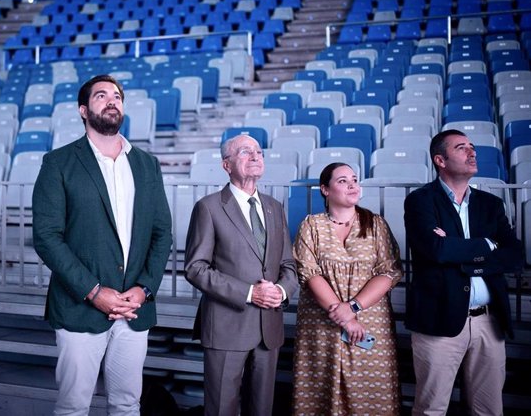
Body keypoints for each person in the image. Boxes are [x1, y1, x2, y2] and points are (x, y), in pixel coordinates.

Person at [32, 74, 172, 415]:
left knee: (127, 404)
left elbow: (161, 233)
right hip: (80, 306)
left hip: (134, 307)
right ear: (83, 110)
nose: (112, 100)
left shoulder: (146, 163)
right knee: (73, 406)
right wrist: (94, 291)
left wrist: (145, 289)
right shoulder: (59, 163)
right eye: (101, 96)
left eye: (117, 96)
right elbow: (47, 237)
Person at [404, 129, 523, 415]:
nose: (472, 152)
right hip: (439, 320)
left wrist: (464, 254)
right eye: (461, 148)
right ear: (440, 160)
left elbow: (514, 255)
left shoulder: (490, 204)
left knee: (489, 409)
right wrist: (486, 245)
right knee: (431, 408)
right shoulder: (420, 201)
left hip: (488, 322)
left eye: (472, 147)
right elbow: (436, 250)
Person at [184, 134, 298, 416]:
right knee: (222, 408)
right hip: (226, 328)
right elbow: (195, 268)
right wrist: (249, 293)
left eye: (259, 152)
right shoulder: (208, 207)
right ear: (226, 165)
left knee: (262, 409)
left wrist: (280, 292)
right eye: (245, 152)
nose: (255, 156)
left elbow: (289, 265)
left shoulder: (274, 207)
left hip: (268, 328)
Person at [292, 162, 403, 415]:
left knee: (371, 394)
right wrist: (341, 315)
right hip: (321, 325)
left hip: (368, 322)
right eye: (342, 181)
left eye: (354, 179)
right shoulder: (311, 226)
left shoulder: (376, 225)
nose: (352, 184)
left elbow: (389, 271)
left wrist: (352, 308)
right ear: (325, 189)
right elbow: (309, 273)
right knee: (319, 391)